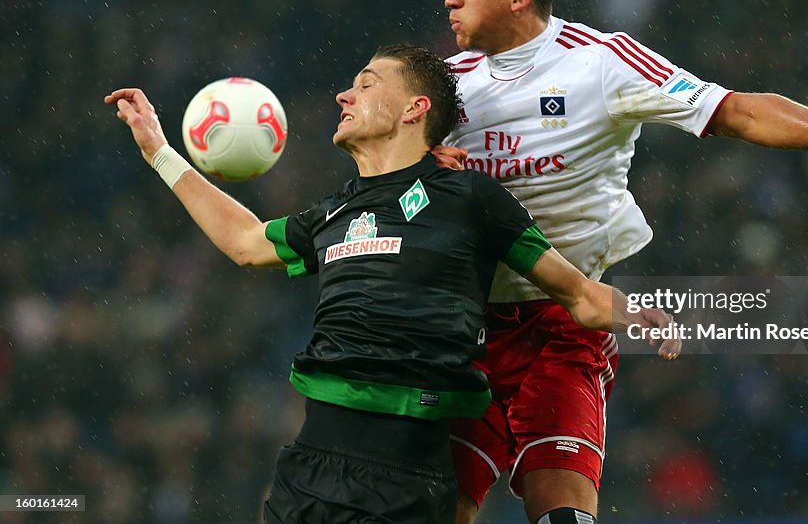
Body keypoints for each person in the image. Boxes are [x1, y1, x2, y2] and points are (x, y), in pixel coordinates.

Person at [434, 0, 808, 524]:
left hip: (567, 323)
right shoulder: (447, 86)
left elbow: (736, 111)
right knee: (433, 509)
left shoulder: (599, 62)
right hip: (463, 326)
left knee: (562, 514)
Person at [108, 44, 675, 524]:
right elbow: (245, 242)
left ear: (414, 108)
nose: (343, 96)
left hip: (408, 473)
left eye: (365, 83)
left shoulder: (469, 198)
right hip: (309, 466)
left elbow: (575, 292)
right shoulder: (335, 211)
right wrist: (158, 151)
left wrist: (639, 311)